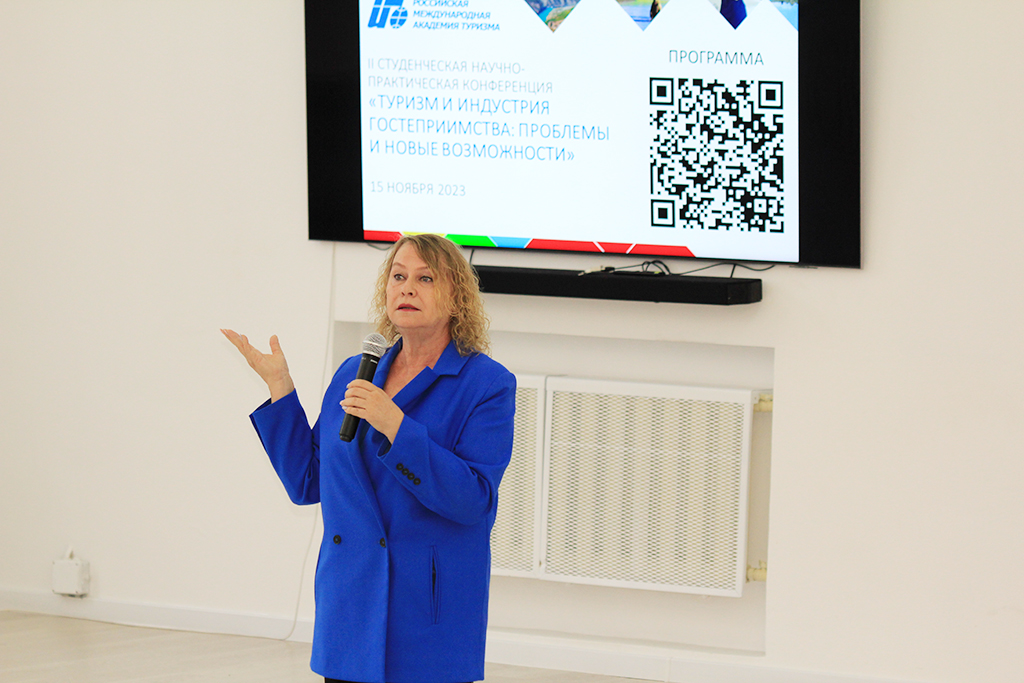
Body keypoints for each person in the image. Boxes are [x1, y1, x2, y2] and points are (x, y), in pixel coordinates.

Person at [222, 234, 516, 683]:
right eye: (398, 276)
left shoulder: (486, 384)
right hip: (349, 605)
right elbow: (308, 481)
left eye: (425, 278)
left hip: (426, 612)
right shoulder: (354, 372)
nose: (407, 288)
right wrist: (280, 387)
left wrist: (396, 426)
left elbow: (473, 500)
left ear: (457, 296)